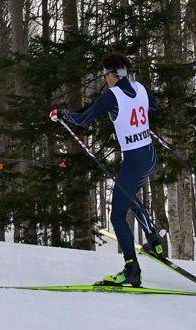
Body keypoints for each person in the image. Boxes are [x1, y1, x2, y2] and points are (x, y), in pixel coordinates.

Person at [52, 52, 167, 288]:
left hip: (134, 161)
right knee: (128, 195)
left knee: (117, 215)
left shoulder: (112, 96)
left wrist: (61, 114)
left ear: (113, 75)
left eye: (105, 75)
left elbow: (83, 119)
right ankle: (153, 240)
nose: (105, 79)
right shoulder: (140, 88)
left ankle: (132, 269)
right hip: (150, 155)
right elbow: (154, 107)